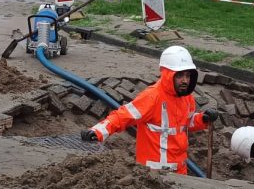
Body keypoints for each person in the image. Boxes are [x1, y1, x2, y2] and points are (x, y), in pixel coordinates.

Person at [80, 46, 217, 175]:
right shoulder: (152, 97)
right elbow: (123, 116)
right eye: (180, 76)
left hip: (180, 169)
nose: (185, 81)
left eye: (188, 76)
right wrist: (97, 131)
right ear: (168, 74)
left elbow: (185, 123)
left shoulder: (186, 98)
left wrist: (202, 119)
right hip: (154, 174)